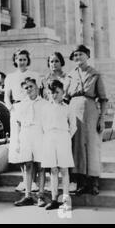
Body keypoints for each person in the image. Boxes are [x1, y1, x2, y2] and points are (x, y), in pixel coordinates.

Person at [65, 45, 108, 196]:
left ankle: (93, 182)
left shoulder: (95, 74)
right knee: (76, 147)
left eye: (80, 54)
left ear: (87, 56)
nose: (77, 58)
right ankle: (80, 182)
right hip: (73, 112)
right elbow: (65, 97)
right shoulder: (70, 75)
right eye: (75, 55)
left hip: (90, 112)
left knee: (91, 146)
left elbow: (103, 99)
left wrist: (102, 118)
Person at [4, 50, 42, 192]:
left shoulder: (35, 75)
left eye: (24, 59)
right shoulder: (10, 77)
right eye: (19, 59)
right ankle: (25, 180)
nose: (21, 62)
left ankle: (35, 181)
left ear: (28, 60)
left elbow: (40, 93)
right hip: (17, 110)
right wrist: (12, 109)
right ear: (15, 61)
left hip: (32, 109)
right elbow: (6, 96)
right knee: (19, 146)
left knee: (33, 145)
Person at [40, 52, 76, 193]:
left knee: (64, 162)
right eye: (51, 62)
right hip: (50, 114)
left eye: (56, 61)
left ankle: (68, 186)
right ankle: (54, 192)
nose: (53, 64)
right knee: (52, 164)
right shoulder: (45, 79)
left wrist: (66, 135)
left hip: (64, 116)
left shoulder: (67, 78)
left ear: (61, 62)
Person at [42, 80, 77, 211]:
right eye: (52, 92)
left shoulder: (67, 108)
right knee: (53, 170)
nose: (54, 95)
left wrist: (66, 137)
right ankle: (54, 199)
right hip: (49, 138)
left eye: (57, 92)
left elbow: (73, 126)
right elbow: (43, 125)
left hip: (63, 138)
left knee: (64, 169)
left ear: (63, 92)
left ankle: (66, 200)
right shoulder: (46, 108)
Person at [13, 78, 48, 207]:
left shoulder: (44, 103)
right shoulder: (22, 104)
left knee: (41, 166)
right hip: (26, 136)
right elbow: (18, 124)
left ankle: (41, 196)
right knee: (28, 165)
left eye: (31, 86)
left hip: (40, 135)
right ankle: (28, 195)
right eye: (26, 87)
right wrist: (17, 142)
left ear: (37, 87)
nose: (29, 89)